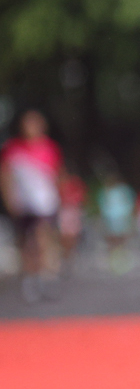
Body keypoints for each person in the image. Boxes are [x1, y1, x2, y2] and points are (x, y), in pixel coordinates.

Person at [2, 110, 63, 301]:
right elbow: (6, 175)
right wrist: (9, 199)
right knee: (26, 244)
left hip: (44, 205)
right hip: (23, 204)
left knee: (40, 239)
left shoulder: (49, 148)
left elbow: (56, 175)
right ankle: (29, 280)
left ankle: (40, 279)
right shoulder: (13, 148)